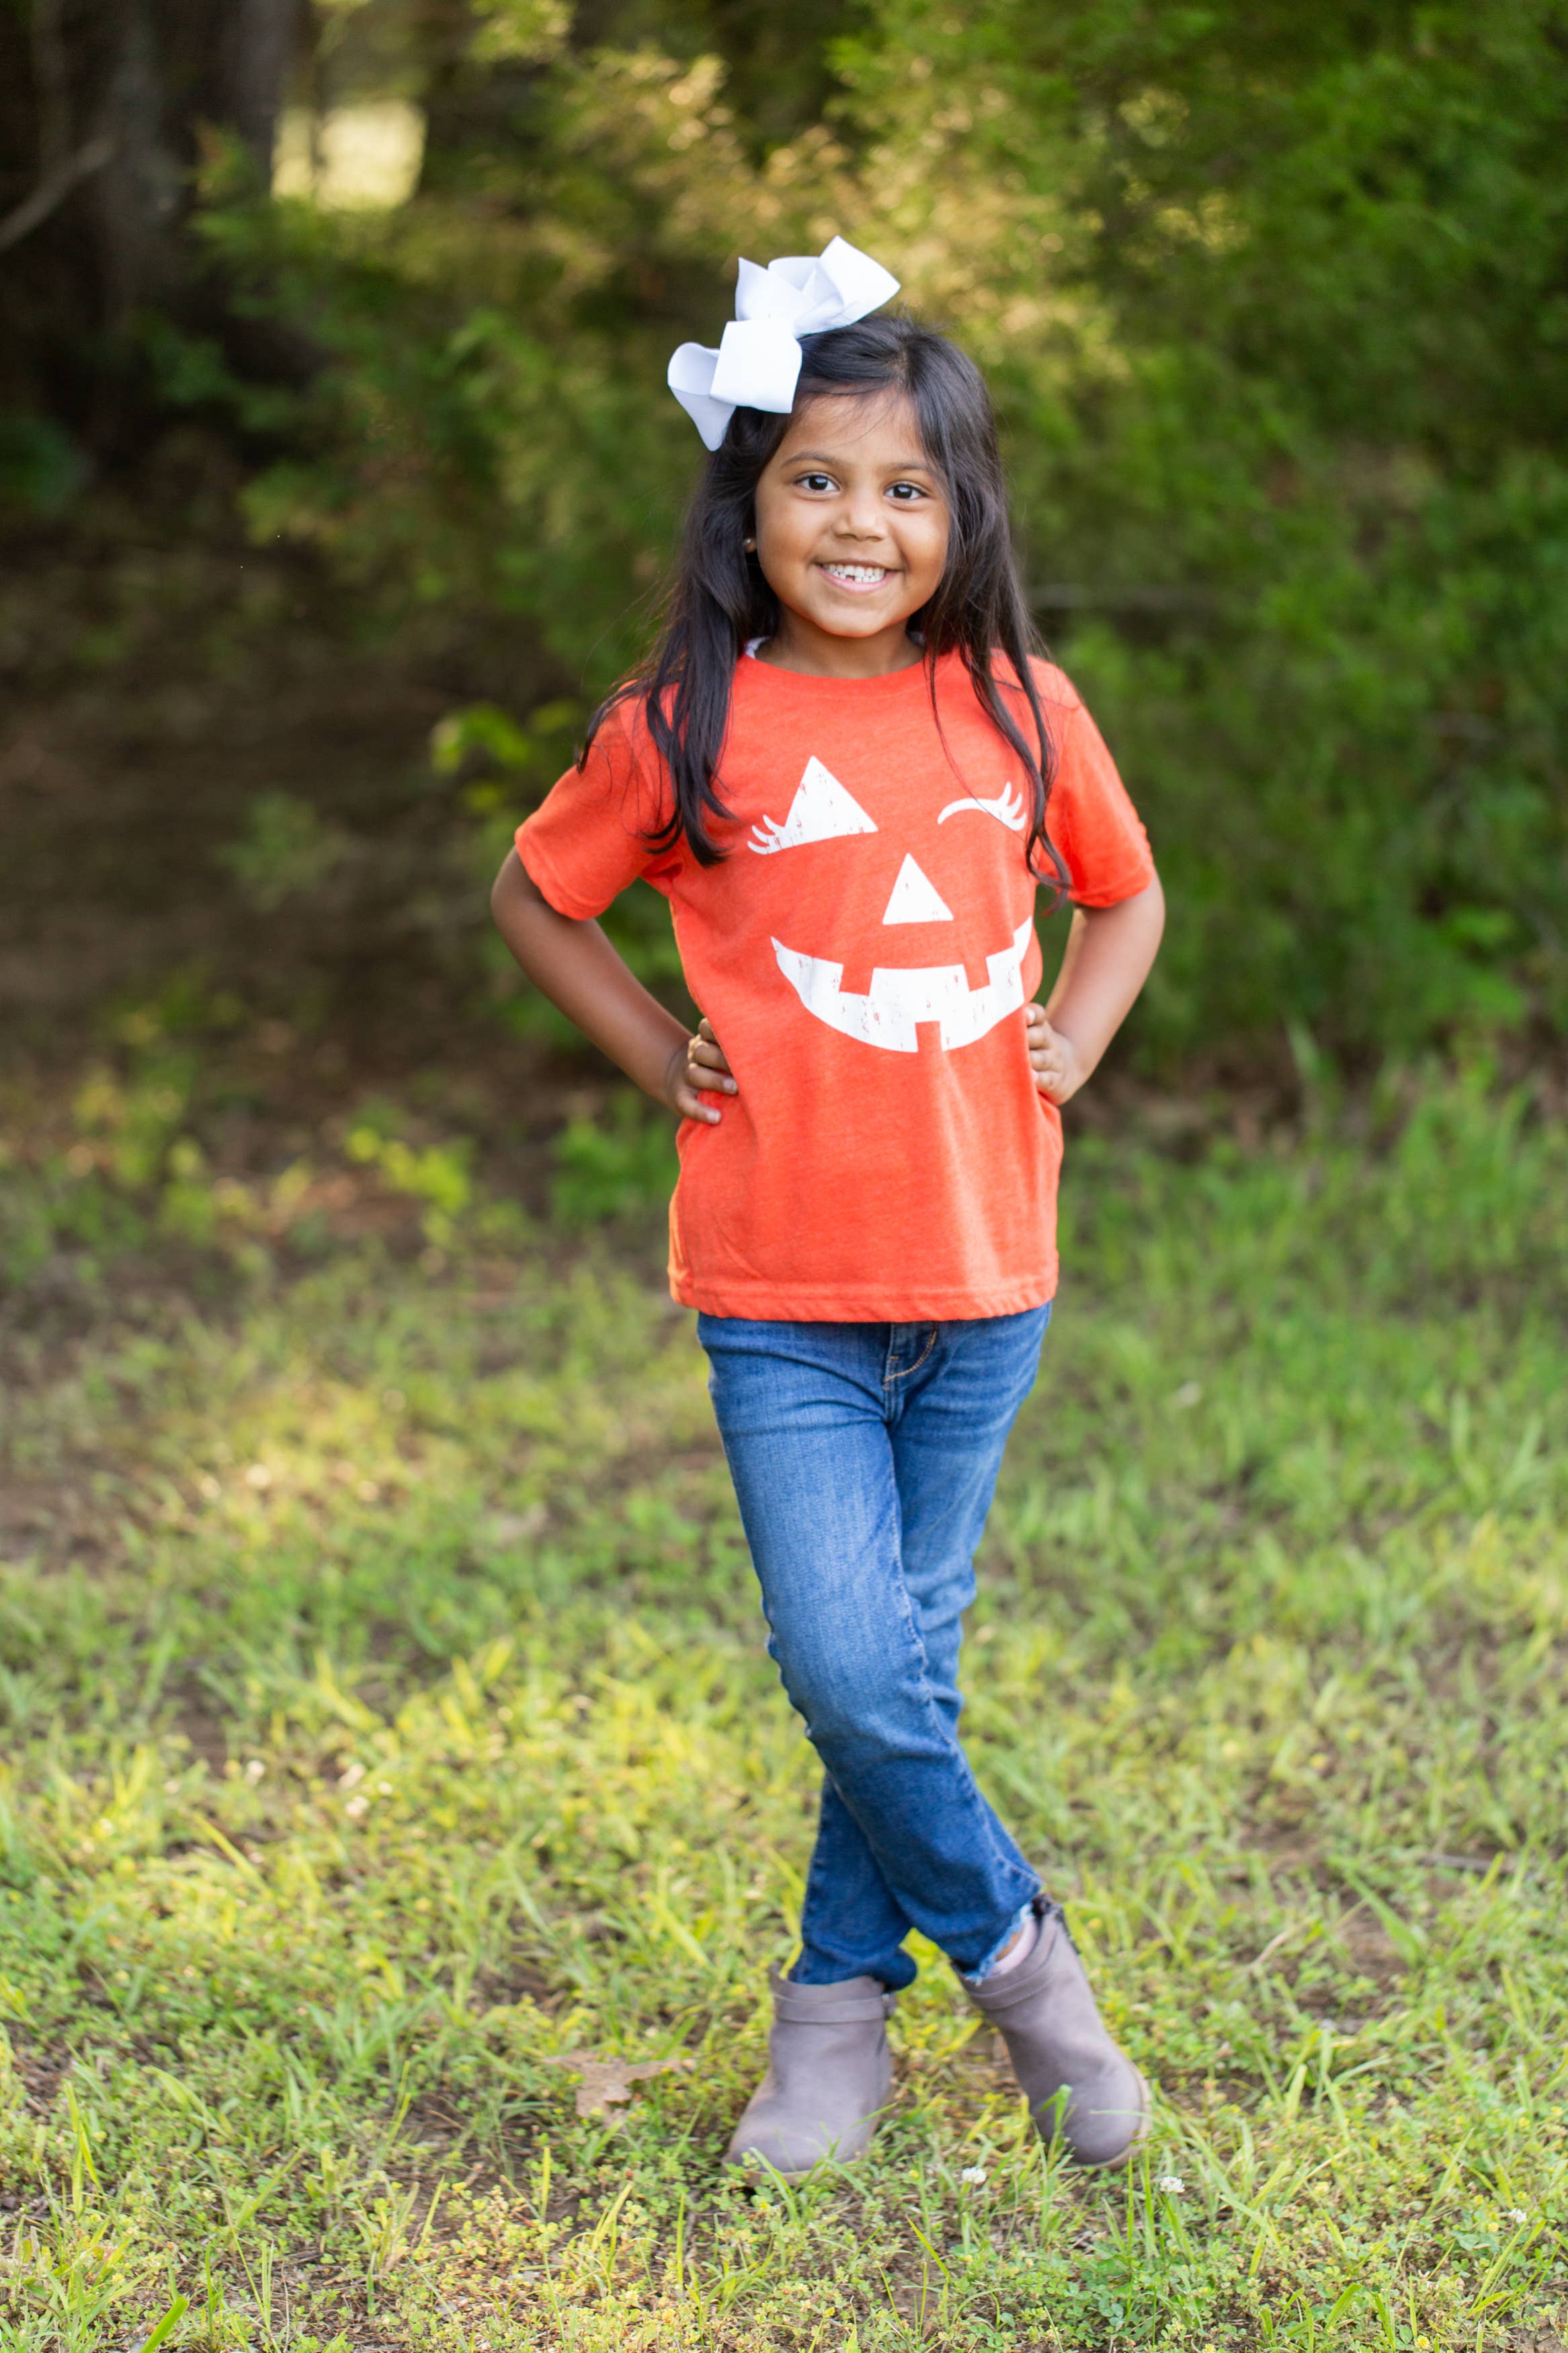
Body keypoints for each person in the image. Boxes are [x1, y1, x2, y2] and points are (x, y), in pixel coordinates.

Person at [491, 239, 1165, 2180]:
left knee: (901, 1672)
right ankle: (1029, 1970)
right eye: (816, 478)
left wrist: (1078, 1031)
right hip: (780, 1281)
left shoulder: (1022, 708)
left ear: (963, 517)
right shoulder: (686, 722)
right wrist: (657, 1051)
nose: (861, 522)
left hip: (985, 1268)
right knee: (851, 1661)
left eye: (906, 487)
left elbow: (1125, 892)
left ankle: (831, 2021)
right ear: (748, 500)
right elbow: (538, 895)